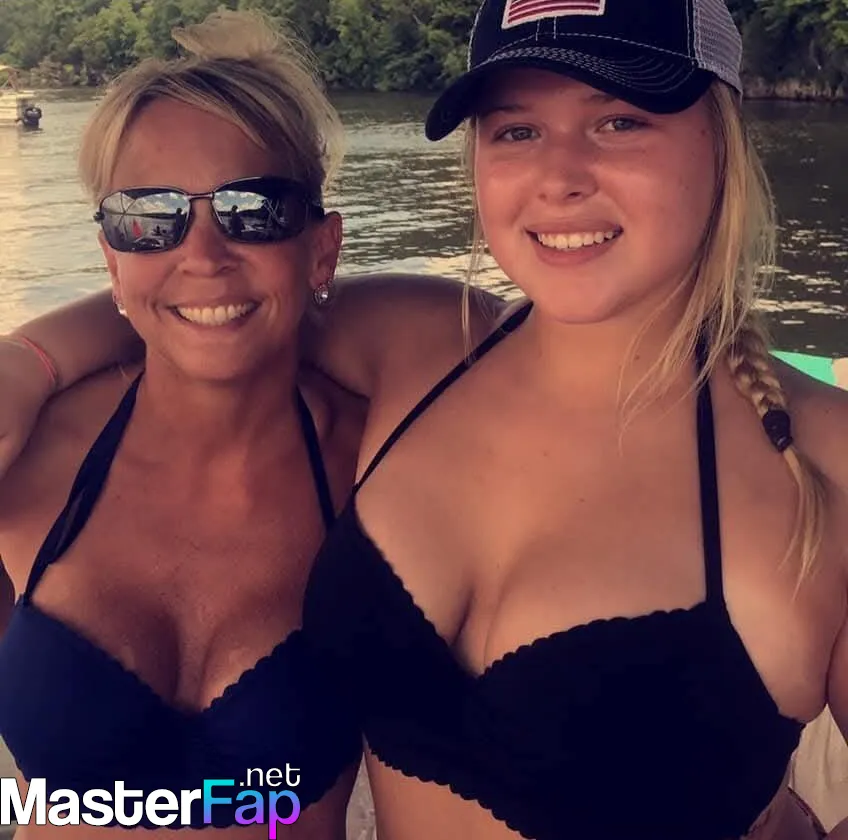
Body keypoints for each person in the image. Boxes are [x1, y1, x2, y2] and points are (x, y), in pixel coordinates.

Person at [0, 3, 846, 840]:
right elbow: (212, 298)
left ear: (723, 141)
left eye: (619, 121)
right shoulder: (424, 346)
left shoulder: (820, 461)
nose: (559, 176)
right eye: (516, 131)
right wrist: (26, 362)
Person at [0, 10, 494, 838]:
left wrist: (33, 351)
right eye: (149, 216)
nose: (202, 254)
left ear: (323, 249)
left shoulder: (383, 472)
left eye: (254, 209)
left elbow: (501, 337)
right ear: (112, 257)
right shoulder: (26, 457)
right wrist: (29, 362)